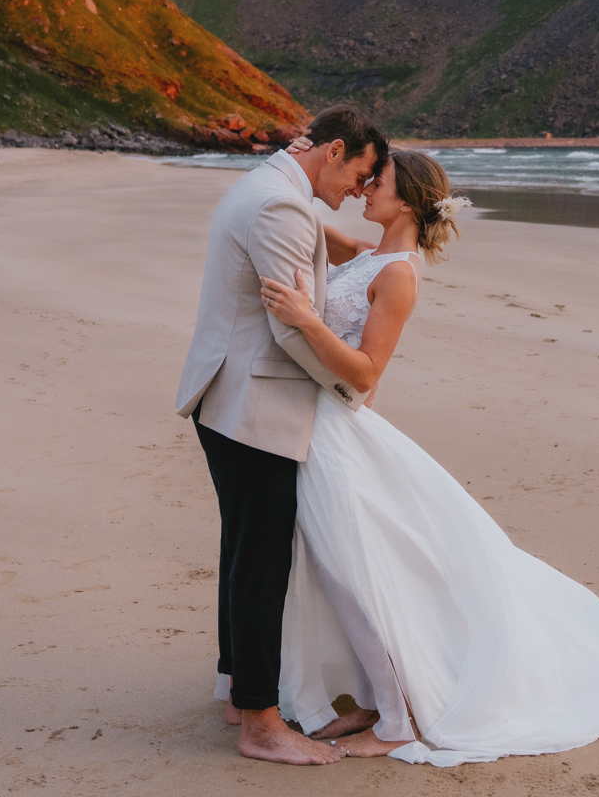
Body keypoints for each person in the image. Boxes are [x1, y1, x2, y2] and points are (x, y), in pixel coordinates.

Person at [259, 148, 599, 767]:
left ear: (409, 200)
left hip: (337, 427)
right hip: (315, 423)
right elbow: (304, 231)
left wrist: (307, 321)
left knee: (353, 569)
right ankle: (370, 693)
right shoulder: (370, 256)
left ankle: (399, 720)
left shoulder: (399, 275)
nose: (363, 188)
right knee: (341, 564)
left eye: (377, 182)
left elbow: (366, 374)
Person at [173, 105, 387, 765]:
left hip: (228, 394)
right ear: (333, 151)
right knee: (262, 560)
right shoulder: (281, 208)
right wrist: (354, 388)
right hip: (254, 402)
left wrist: (336, 246)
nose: (359, 190)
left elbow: (297, 238)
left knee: (244, 549)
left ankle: (242, 688)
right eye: (361, 173)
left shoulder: (271, 186)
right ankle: (262, 725)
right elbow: (291, 330)